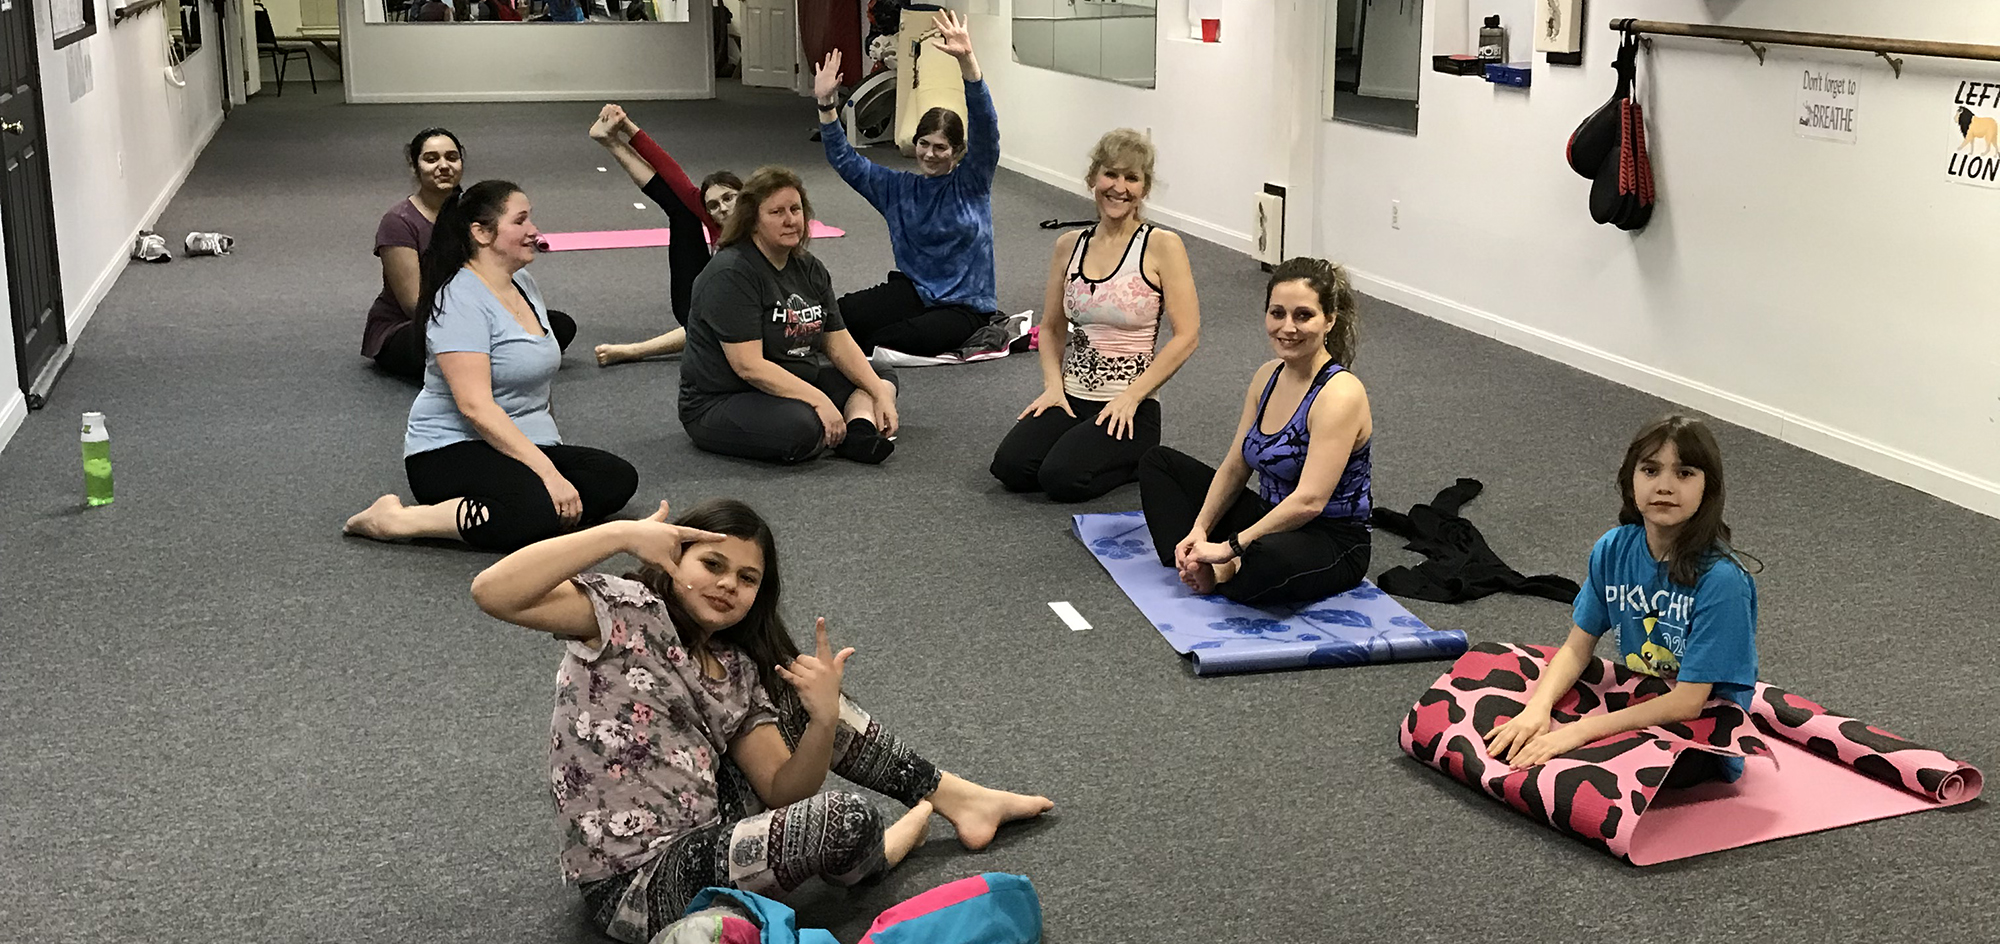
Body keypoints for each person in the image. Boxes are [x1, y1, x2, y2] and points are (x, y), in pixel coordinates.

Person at [468, 497, 1055, 941]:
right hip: (636, 884)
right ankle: (878, 854)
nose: (728, 584)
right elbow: (494, 592)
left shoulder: (735, 668)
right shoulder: (623, 612)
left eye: (747, 578)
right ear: (673, 556)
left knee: (802, 695)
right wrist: (621, 534)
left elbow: (782, 788)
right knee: (846, 818)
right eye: (712, 563)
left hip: (704, 834)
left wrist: (824, 720)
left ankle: (951, 800)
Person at [344, 181, 636, 552]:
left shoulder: (523, 283)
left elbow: (538, 383)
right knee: (531, 511)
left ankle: (525, 506)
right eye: (521, 221)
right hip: (449, 449)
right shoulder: (458, 300)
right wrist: (548, 472)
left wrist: (550, 454)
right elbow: (474, 407)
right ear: (481, 233)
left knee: (615, 478)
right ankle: (396, 520)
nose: (534, 231)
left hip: (519, 443)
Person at [1483, 415, 1759, 783]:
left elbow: (1688, 702)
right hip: (1642, 695)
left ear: (1709, 488)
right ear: (1630, 481)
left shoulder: (1723, 580)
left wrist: (1579, 731)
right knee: (1505, 714)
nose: (1664, 486)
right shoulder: (1613, 549)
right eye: (1650, 470)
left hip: (1703, 727)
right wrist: (1538, 708)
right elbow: (1577, 649)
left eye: (1684, 473)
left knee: (1579, 773)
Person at [1135, 258, 1371, 605]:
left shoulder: (1340, 394)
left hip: (1330, 538)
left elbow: (1309, 502)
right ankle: (1194, 558)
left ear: (1329, 321)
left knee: (1268, 559)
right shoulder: (1267, 376)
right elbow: (1235, 465)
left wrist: (1229, 550)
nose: (1287, 327)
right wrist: (1199, 528)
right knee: (1159, 464)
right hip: (1268, 514)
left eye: (1303, 316)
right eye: (1277, 313)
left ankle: (1221, 571)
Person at [989, 128, 1199, 502]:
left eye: (1132, 178)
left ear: (1144, 189)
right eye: (1111, 174)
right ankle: (1084, 444)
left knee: (1060, 478)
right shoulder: (1068, 245)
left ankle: (1137, 459)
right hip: (1072, 396)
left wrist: (1132, 397)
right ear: (1092, 179)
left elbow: (1187, 336)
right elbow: (1052, 328)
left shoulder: (1162, 246)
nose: (1119, 187)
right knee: (1011, 468)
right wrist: (1053, 387)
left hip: (1129, 407)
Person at [678, 166, 901, 465]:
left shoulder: (809, 267)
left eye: (795, 209)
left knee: (880, 373)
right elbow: (749, 367)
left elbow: (837, 341)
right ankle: (845, 423)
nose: (790, 220)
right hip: (724, 398)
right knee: (803, 427)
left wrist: (878, 393)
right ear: (753, 221)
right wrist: (819, 399)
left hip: (791, 379)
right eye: (777, 212)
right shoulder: (731, 273)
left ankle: (858, 432)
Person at [812, 10, 1000, 357]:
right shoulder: (897, 189)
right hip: (915, 291)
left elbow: (986, 126)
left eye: (940, 147)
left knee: (889, 341)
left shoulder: (971, 182)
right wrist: (826, 104)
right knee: (839, 316)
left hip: (965, 306)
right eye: (923, 144)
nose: (929, 154)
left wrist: (968, 64)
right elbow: (846, 161)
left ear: (956, 151)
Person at [365, 129, 578, 382]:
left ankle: (484, 357)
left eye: (452, 157)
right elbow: (413, 304)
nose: (443, 166)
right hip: (413, 324)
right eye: (431, 159)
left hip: (476, 311)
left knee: (559, 325)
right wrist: (473, 320)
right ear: (415, 166)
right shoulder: (399, 221)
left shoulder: (476, 211)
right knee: (442, 342)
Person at [587, 104, 742, 367]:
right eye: (713, 205)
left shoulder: (762, 231)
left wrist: (634, 351)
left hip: (725, 315)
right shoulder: (715, 219)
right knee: (681, 210)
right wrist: (626, 126)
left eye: (729, 198)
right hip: (701, 297)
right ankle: (609, 142)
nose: (723, 209)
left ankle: (633, 350)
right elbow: (670, 172)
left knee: (710, 326)